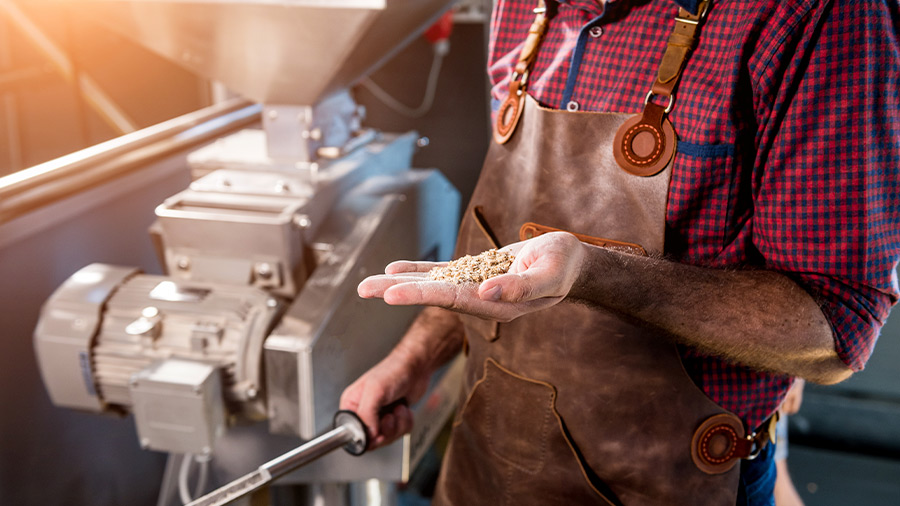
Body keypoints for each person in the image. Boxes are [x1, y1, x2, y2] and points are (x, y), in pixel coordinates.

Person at [341, 0, 900, 504]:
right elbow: (498, 239)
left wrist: (594, 273)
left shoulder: (818, 16)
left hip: (670, 480)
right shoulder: (525, 7)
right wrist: (414, 359)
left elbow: (835, 324)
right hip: (493, 461)